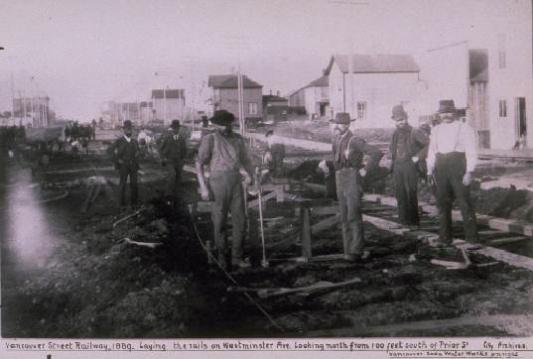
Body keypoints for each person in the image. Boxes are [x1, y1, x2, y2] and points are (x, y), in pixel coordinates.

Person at [196, 110, 254, 270]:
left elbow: (247, 161)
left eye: (227, 124)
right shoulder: (210, 139)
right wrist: (203, 187)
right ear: (215, 125)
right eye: (221, 124)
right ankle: (222, 257)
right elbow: (199, 164)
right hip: (217, 183)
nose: (225, 127)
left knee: (240, 220)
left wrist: (251, 176)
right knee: (219, 221)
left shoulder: (238, 139)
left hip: (236, 182)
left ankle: (237, 257)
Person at [427, 100, 479, 247]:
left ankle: (472, 239)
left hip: (458, 167)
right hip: (441, 169)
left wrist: (469, 172)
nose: (446, 115)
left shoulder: (464, 128)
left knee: (464, 202)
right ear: (439, 114)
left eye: (449, 112)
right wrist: (429, 170)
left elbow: (471, 151)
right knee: (442, 203)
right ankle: (444, 238)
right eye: (443, 112)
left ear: (454, 113)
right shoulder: (436, 130)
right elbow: (432, 152)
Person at [330, 112, 381, 261]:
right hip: (340, 178)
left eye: (343, 124)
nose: (339, 127)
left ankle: (357, 251)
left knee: (353, 215)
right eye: (338, 124)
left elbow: (376, 153)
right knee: (344, 216)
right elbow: (336, 161)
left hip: (352, 178)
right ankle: (348, 250)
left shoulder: (355, 140)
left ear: (347, 125)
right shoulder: (336, 140)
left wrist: (365, 170)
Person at [389, 104, 429, 227]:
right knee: (400, 193)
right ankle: (403, 221)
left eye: (402, 119)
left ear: (406, 118)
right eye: (398, 120)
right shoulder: (395, 133)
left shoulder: (414, 132)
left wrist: (417, 157)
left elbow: (429, 145)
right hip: (397, 166)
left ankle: (413, 222)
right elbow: (392, 149)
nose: (400, 122)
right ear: (394, 121)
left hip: (410, 166)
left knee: (410, 192)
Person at [110, 120, 140, 208]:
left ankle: (134, 203)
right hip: (123, 166)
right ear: (124, 130)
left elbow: (138, 152)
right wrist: (117, 160)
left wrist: (138, 155)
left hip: (133, 166)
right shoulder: (119, 141)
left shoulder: (134, 141)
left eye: (130, 129)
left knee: (134, 184)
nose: (129, 131)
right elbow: (110, 151)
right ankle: (121, 203)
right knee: (122, 184)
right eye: (127, 129)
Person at [159, 120, 187, 203]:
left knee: (178, 177)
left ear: (179, 128)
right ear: (172, 128)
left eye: (177, 128)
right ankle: (168, 195)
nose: (176, 130)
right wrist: (163, 158)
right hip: (169, 161)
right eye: (174, 128)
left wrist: (183, 159)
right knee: (172, 176)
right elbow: (161, 149)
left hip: (179, 161)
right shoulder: (167, 138)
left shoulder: (182, 138)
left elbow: (184, 150)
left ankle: (177, 195)